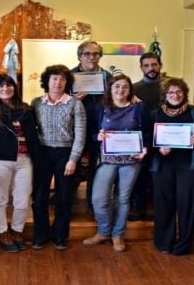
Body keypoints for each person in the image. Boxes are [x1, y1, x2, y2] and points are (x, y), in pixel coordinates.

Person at [82, 74, 148, 252]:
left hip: (131, 160)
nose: (121, 90)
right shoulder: (100, 107)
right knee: (99, 199)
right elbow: (90, 132)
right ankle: (103, 232)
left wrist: (145, 148)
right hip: (106, 160)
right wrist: (98, 136)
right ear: (110, 89)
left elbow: (146, 131)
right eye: (117, 86)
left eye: (125, 87)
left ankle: (118, 235)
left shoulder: (139, 107)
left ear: (130, 89)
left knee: (123, 199)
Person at [0, 73, 39, 253]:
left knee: (22, 201)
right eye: (1, 86)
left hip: (24, 160)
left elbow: (33, 138)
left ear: (15, 88)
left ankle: (17, 231)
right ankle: (3, 232)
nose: (5, 89)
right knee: (0, 200)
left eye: (9, 85)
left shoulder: (26, 110)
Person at [31, 64, 86, 250]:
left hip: (66, 154)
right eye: (54, 78)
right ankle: (40, 234)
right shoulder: (36, 103)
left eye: (62, 79)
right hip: (43, 153)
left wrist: (73, 159)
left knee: (64, 197)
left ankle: (60, 235)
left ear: (67, 82)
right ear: (47, 81)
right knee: (40, 196)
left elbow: (80, 133)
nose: (58, 82)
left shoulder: (75, 104)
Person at [150, 77, 194, 255]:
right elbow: (147, 140)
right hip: (162, 165)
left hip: (188, 165)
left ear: (185, 93)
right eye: (171, 92)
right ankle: (163, 242)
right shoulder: (155, 114)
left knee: (187, 204)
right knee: (163, 204)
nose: (175, 95)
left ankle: (183, 243)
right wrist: (158, 149)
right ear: (165, 95)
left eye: (179, 91)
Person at [71, 41, 113, 213]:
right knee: (73, 164)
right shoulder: (69, 76)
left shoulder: (108, 77)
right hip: (75, 129)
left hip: (100, 129)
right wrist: (73, 100)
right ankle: (68, 200)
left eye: (96, 54)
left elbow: (117, 98)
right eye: (87, 54)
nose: (91, 57)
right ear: (80, 56)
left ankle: (92, 202)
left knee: (96, 166)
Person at [129, 52, 163, 221]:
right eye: (147, 65)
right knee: (140, 173)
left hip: (164, 138)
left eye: (154, 64)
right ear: (141, 67)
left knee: (160, 173)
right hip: (140, 137)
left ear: (160, 65)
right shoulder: (133, 89)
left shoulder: (168, 87)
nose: (151, 68)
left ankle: (160, 208)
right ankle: (138, 207)